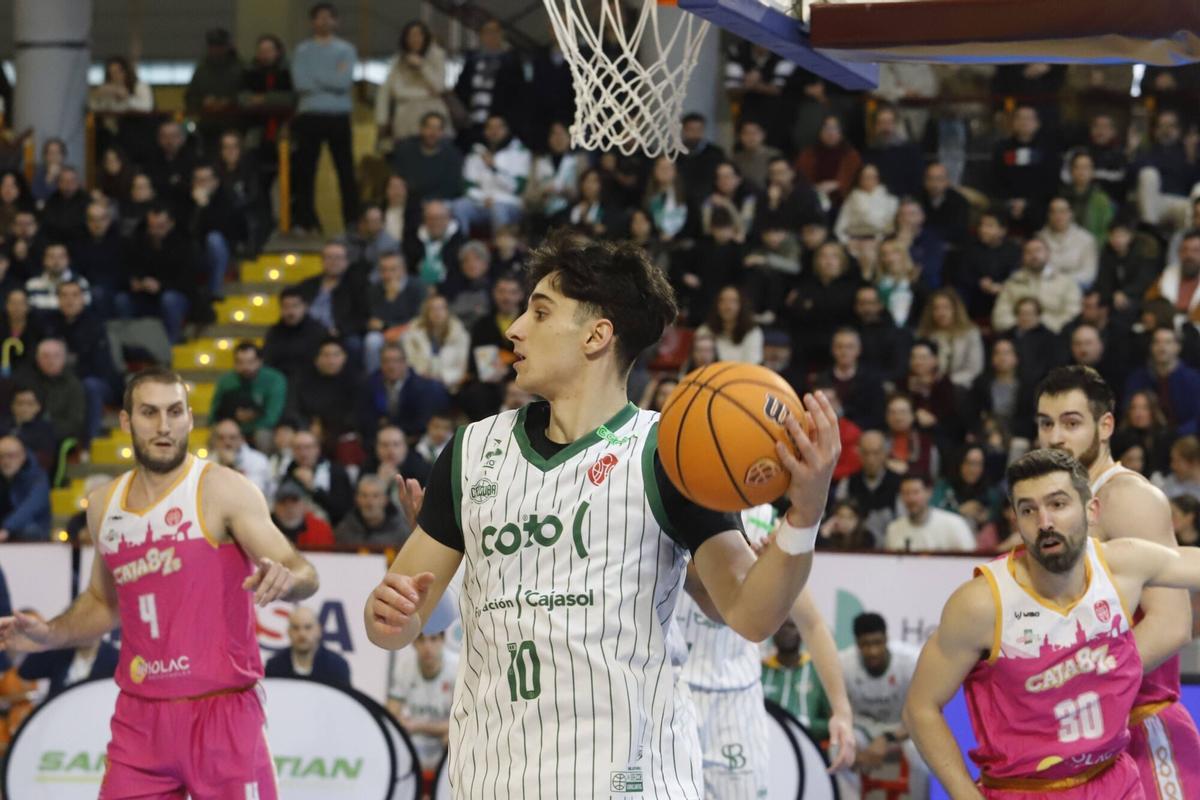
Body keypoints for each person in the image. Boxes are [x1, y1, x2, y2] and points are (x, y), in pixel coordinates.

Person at [362, 234, 841, 797]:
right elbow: (397, 621)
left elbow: (750, 615)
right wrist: (387, 615)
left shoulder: (671, 453)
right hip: (493, 776)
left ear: (597, 336)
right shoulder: (470, 452)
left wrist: (806, 512)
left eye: (540, 312)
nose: (515, 328)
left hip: (632, 780)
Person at [0, 367, 319, 799]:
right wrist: (49, 633)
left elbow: (303, 572)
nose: (164, 425)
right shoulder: (104, 505)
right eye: (150, 412)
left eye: (175, 412)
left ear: (189, 418)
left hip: (223, 711)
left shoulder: (223, 489)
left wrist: (288, 578)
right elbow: (103, 602)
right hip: (140, 718)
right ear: (126, 421)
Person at [903, 448, 1200, 798]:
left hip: (1113, 779)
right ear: (1015, 520)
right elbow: (920, 708)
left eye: (1058, 504)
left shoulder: (1122, 566)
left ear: (1091, 510)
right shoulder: (981, 604)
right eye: (1028, 510)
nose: (1044, 522)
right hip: (1025, 788)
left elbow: (1188, 564)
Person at [1036, 366, 1200, 798]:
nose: (1055, 437)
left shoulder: (1127, 497)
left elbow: (1171, 624)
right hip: (1088, 732)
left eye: (1071, 423)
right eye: (1046, 423)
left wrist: (1082, 689)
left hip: (1141, 725)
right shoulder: (1055, 509)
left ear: (1105, 425)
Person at [674, 504, 856, 797]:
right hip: (672, 688)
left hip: (736, 698)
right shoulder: (668, 503)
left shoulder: (768, 522)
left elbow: (812, 624)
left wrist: (841, 711)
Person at [840, 613, 928, 799]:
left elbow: (922, 716)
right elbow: (839, 713)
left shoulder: (910, 662)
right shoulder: (843, 664)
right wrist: (850, 745)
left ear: (886, 638)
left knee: (922, 754)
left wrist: (887, 739)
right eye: (865, 644)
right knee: (840, 751)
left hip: (902, 729)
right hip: (861, 729)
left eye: (877, 642)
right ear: (857, 644)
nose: (873, 651)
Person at [291, 2, 359, 232]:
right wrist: (331, 76)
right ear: (312, 22)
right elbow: (301, 83)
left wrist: (316, 77)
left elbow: (343, 82)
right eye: (319, 17)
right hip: (309, 116)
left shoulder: (346, 49)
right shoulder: (302, 50)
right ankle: (305, 220)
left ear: (336, 21)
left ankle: (351, 221)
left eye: (328, 17)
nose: (324, 21)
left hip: (338, 116)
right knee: (305, 171)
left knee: (345, 170)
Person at [388, 630, 457, 780]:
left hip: (443, 742)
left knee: (455, 738)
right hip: (413, 742)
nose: (427, 647)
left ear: (443, 640)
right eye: (421, 640)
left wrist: (418, 726)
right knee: (390, 736)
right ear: (413, 642)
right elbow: (391, 713)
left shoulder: (458, 667)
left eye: (433, 639)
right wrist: (399, 722)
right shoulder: (404, 666)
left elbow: (463, 723)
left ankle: (450, 786)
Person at [376, 21, 450, 147]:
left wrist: (422, 66)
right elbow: (397, 91)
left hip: (433, 116)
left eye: (419, 35)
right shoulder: (398, 60)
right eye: (411, 35)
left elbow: (439, 87)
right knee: (407, 152)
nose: (415, 39)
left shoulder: (437, 55)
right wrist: (427, 94)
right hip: (405, 119)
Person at [210, 341, 288, 442]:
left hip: (264, 428)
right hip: (232, 427)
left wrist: (247, 426)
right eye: (240, 362)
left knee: (263, 435)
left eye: (250, 362)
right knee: (217, 434)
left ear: (260, 361)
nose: (245, 367)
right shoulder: (226, 382)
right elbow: (214, 414)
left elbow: (272, 417)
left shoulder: (274, 379)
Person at [884, 473, 975, 552]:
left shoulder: (954, 524)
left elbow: (971, 560)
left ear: (929, 492)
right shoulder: (893, 529)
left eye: (916, 492)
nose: (911, 499)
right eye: (906, 493)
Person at [264, 605, 350, 687]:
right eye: (296, 628)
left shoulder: (337, 666)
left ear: (319, 630)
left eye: (308, 627)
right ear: (289, 632)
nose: (302, 634)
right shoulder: (274, 666)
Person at [17, 634, 118, 697]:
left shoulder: (115, 659)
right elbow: (26, 671)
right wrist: (51, 637)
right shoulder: (62, 651)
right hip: (57, 716)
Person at [334, 474, 411, 546]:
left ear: (385, 500)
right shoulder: (343, 531)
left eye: (375, 496)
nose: (369, 502)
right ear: (357, 499)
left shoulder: (402, 532)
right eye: (364, 496)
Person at [0, 436, 50, 541]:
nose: (5, 461)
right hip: (5, 528)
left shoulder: (38, 477)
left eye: (10, 456)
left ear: (23, 455)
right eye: (1, 456)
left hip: (32, 528)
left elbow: (30, 508)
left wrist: (7, 528)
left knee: (29, 530)